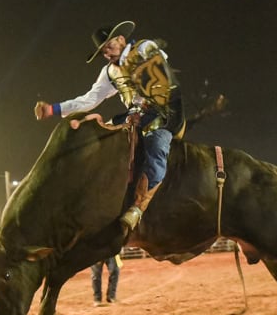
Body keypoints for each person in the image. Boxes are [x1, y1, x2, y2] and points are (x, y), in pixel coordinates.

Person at [34, 20, 185, 233]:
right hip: (134, 117)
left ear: (121, 39)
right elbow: (89, 99)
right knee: (101, 135)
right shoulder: (109, 73)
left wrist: (141, 103)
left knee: (157, 144)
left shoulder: (144, 48)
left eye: (108, 46)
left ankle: (138, 207)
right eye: (102, 50)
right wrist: (54, 109)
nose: (106, 52)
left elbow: (161, 79)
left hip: (164, 112)